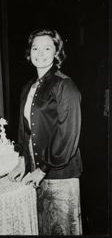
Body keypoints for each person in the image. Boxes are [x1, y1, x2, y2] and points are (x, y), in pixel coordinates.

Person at [8, 29, 82, 235]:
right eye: (35, 48)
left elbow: (68, 134)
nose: (40, 53)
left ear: (57, 52)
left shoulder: (65, 85)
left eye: (47, 48)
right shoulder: (28, 87)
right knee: (42, 228)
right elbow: (25, 129)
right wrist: (23, 161)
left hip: (59, 172)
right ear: (29, 52)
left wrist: (42, 169)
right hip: (35, 170)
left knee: (62, 229)